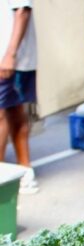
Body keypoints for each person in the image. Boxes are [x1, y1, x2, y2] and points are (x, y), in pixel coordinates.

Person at [0, 0, 38, 194]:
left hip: (10, 58)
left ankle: (6, 177)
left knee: (5, 115)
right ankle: (25, 172)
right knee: (14, 111)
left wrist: (10, 55)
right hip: (11, 58)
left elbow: (22, 11)